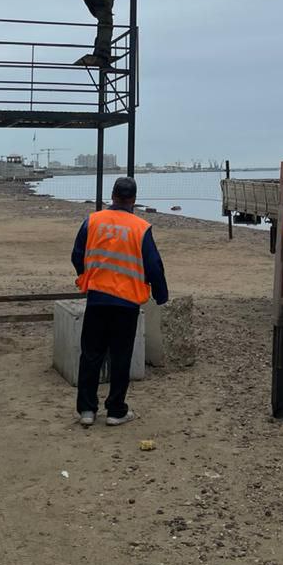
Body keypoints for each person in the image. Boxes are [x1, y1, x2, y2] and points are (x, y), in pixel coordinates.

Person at [71, 176, 168, 427]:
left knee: (91, 354)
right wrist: (161, 293)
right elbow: (154, 266)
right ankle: (115, 410)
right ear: (134, 200)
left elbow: (77, 255)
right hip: (126, 303)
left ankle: (87, 411)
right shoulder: (141, 227)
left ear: (112, 196)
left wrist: (87, 274)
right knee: (121, 355)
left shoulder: (92, 221)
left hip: (97, 299)